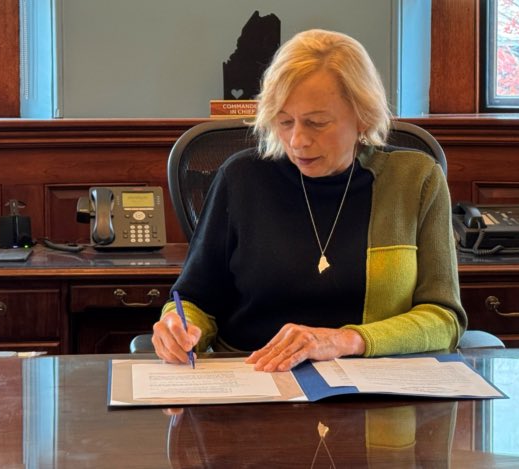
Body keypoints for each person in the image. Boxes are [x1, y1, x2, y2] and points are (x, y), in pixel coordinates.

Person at [152, 28, 467, 372]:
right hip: (254, 379)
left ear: (363, 115)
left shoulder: (416, 179)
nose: (298, 140)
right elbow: (197, 300)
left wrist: (344, 341)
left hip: (374, 385)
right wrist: (177, 327)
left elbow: (443, 319)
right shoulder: (241, 178)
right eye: (284, 122)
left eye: (317, 123)